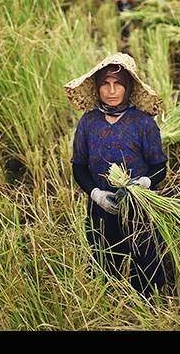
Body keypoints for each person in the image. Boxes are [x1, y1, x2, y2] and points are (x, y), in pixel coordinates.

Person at [64, 52, 169, 296]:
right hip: (101, 210)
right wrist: (97, 194)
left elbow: (160, 167)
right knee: (105, 265)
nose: (111, 91)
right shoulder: (88, 123)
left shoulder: (143, 124)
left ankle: (148, 304)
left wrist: (144, 183)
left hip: (139, 209)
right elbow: (78, 166)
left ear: (128, 87)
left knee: (146, 267)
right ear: (97, 88)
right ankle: (110, 304)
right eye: (105, 84)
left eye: (118, 84)